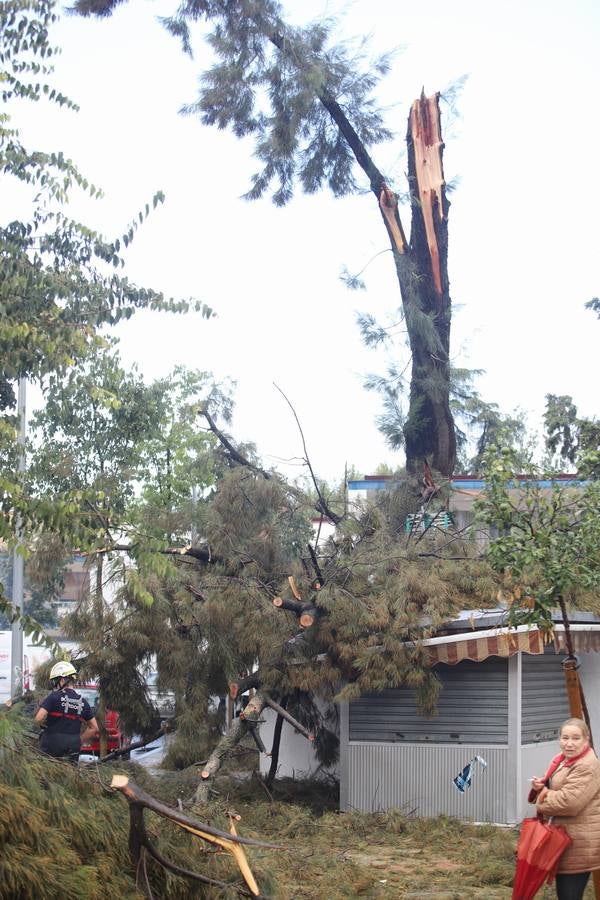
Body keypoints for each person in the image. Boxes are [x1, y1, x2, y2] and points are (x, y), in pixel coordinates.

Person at [529, 717, 600, 900]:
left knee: (570, 895)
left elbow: (569, 803)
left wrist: (543, 795)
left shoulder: (586, 765)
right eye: (565, 737)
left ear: (586, 739)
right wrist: (542, 786)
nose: (569, 743)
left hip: (579, 843)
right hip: (565, 838)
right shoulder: (562, 760)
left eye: (575, 738)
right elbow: (557, 790)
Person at [34, 661, 99, 762]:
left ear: (63, 680)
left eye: (56, 680)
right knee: (71, 774)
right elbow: (94, 728)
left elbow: (38, 718)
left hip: (51, 744)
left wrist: (43, 727)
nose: (55, 684)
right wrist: (78, 741)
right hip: (73, 746)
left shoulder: (53, 697)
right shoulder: (83, 702)